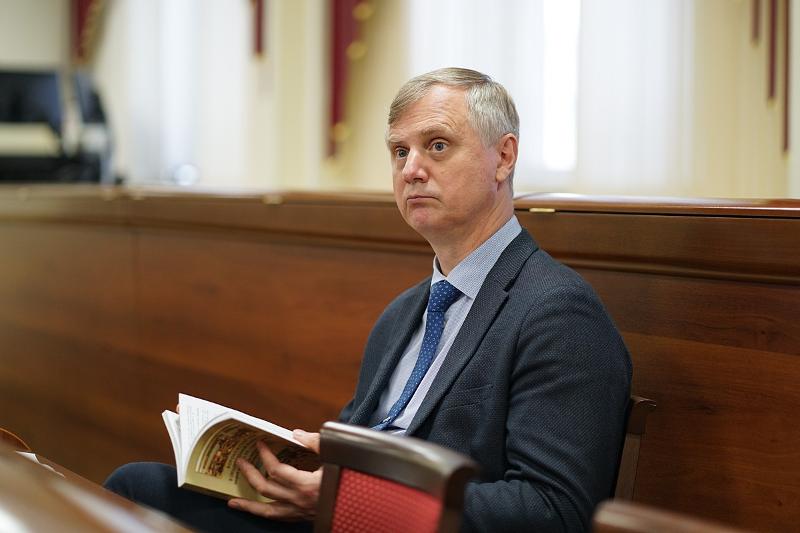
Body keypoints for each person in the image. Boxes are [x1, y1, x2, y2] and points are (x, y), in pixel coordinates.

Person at [105, 67, 631, 532]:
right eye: (400, 151)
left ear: (504, 157)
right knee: (140, 488)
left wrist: (349, 501)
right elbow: (365, 445)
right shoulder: (403, 314)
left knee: (136, 492)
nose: (411, 169)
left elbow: (554, 511)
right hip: (338, 521)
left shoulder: (558, 312)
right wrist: (307, 465)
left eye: (437, 146)